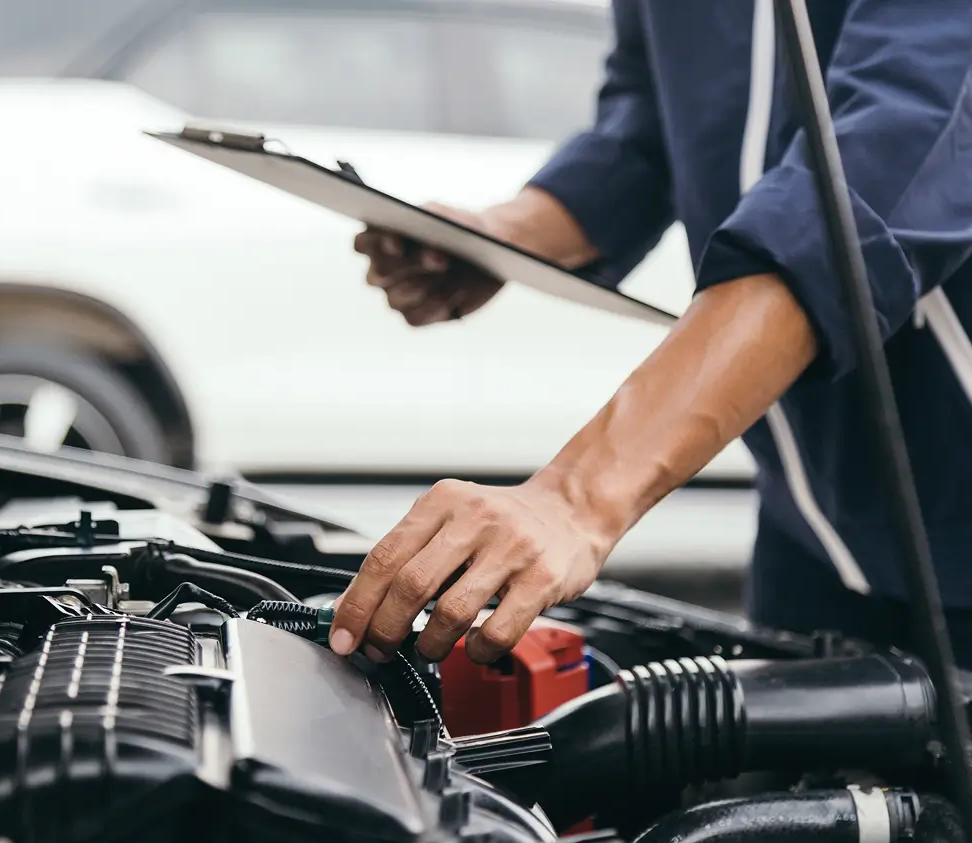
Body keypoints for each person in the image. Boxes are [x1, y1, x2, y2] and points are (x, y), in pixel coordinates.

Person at [327, 0, 972, 667]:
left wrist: (574, 497)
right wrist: (506, 237)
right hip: (811, 526)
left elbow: (892, 157)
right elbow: (645, 131)